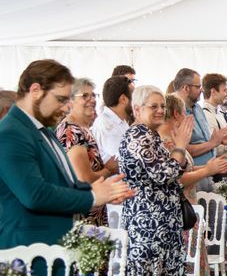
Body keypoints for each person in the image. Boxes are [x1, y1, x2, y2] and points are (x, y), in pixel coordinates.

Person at [0, 59, 132, 249]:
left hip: (49, 249)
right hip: (28, 253)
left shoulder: (42, 130)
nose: (65, 107)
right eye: (61, 99)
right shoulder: (11, 133)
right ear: (35, 90)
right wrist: (93, 197)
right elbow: (35, 194)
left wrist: (101, 191)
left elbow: (60, 184)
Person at [119, 85, 193, 276]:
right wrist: (180, 147)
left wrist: (177, 151)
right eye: (153, 106)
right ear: (137, 110)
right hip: (146, 226)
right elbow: (168, 172)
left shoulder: (150, 136)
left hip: (162, 223)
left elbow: (177, 169)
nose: (160, 110)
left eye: (162, 105)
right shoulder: (137, 137)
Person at [158, 94, 227, 276]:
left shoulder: (174, 142)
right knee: (182, 264)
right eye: (185, 113)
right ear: (176, 115)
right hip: (179, 210)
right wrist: (207, 171)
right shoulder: (166, 144)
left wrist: (211, 167)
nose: (187, 116)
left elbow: (186, 169)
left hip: (189, 207)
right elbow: (177, 179)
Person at [55, 78, 119, 226]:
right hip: (84, 216)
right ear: (69, 101)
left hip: (93, 212)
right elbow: (84, 179)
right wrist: (109, 169)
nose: (92, 100)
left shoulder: (82, 129)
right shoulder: (72, 131)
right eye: (85, 96)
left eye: (93, 95)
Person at [172, 68, 227, 190]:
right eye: (198, 86)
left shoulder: (198, 109)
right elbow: (183, 150)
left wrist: (221, 140)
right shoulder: (175, 113)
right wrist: (213, 143)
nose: (202, 90)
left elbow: (206, 141)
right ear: (186, 88)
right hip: (191, 177)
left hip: (208, 174)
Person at [92, 75, 133, 162]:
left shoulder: (120, 120)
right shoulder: (105, 124)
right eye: (134, 95)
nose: (137, 101)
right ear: (123, 99)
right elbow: (123, 162)